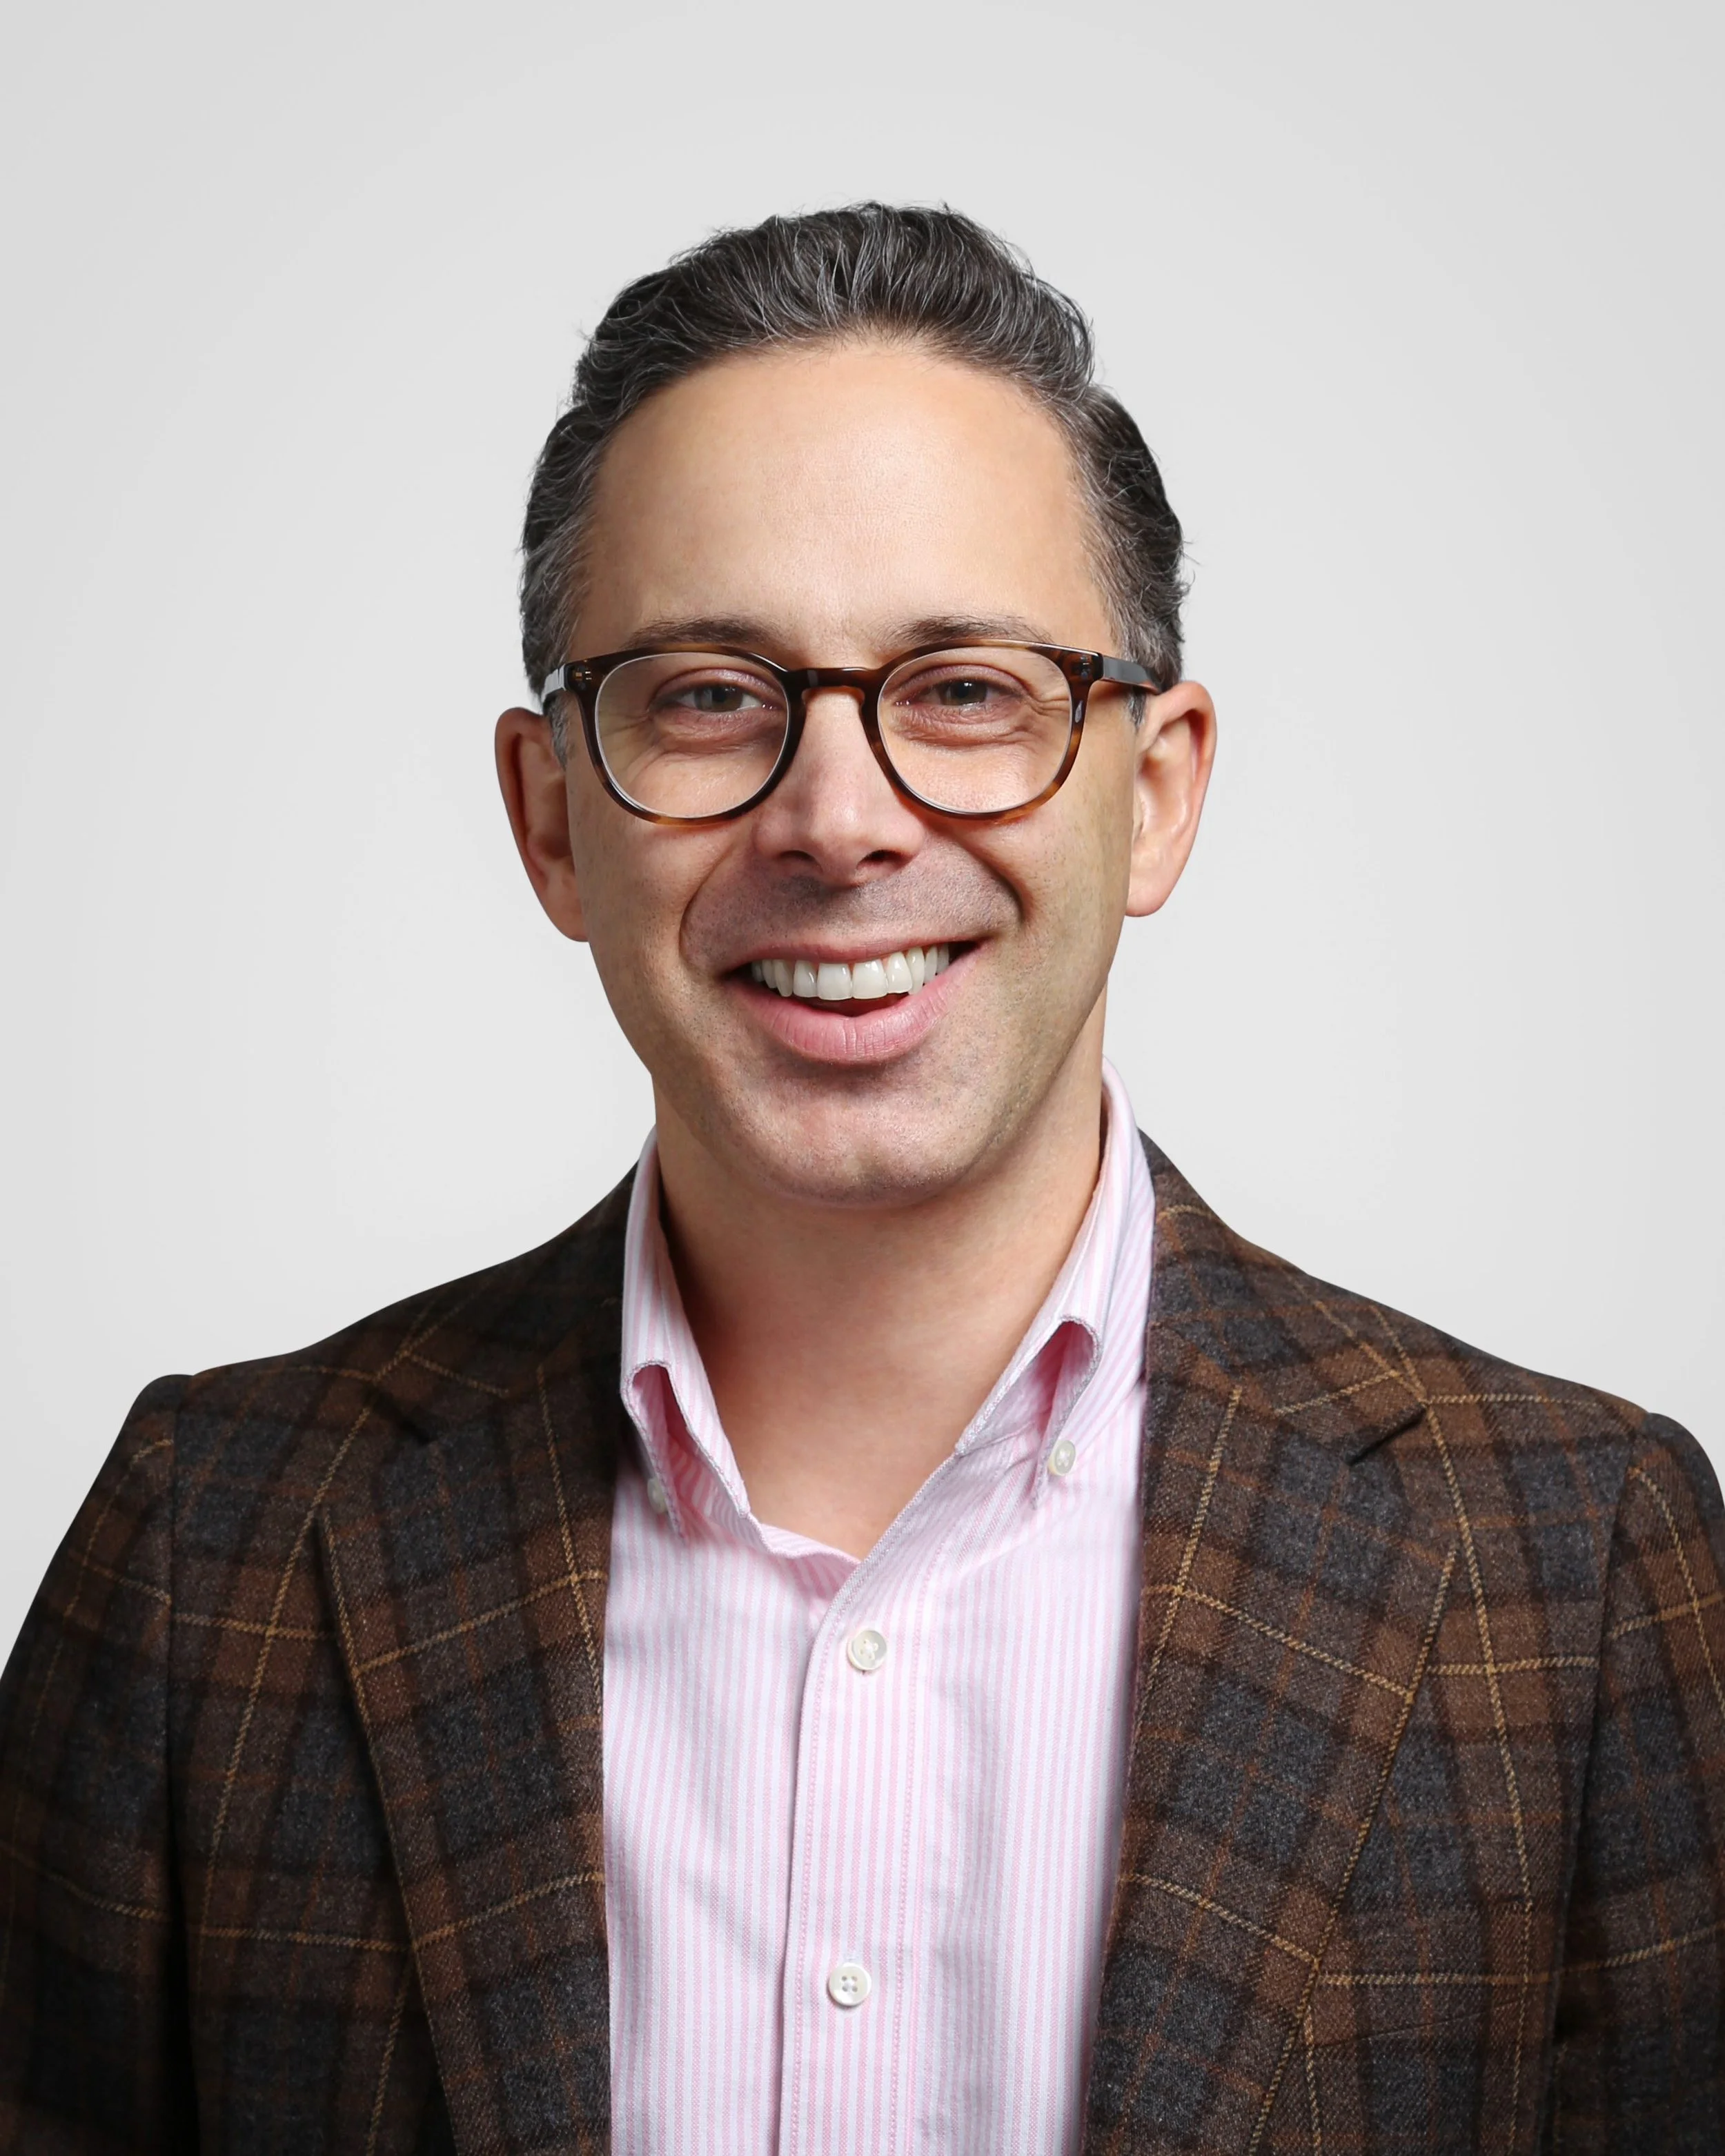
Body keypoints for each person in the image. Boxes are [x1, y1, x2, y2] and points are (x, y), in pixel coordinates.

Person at [1, 204, 1720, 2156]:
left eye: (969, 688)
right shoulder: (208, 1552)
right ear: (550, 817)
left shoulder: (1569, 1569)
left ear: (1151, 791)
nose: (837, 820)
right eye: (710, 693)